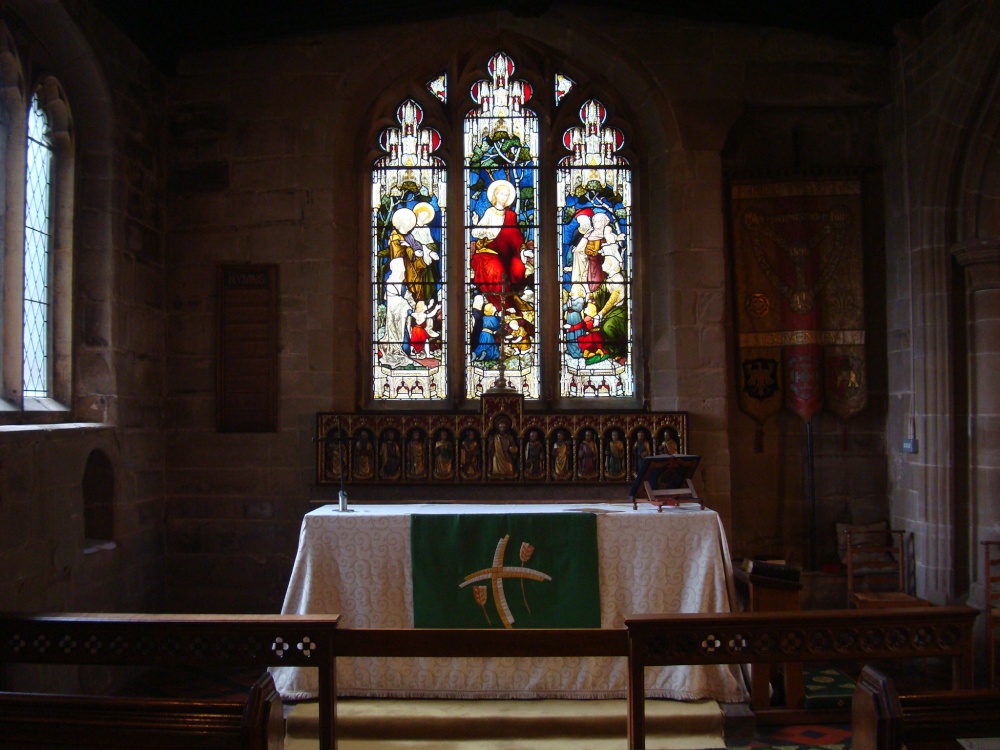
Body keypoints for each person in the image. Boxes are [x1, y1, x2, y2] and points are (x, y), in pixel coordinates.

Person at [470, 179, 528, 312]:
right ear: (495, 195)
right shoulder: (490, 212)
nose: (504, 197)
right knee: (496, 270)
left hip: (506, 253)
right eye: (501, 194)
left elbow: (516, 237)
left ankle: (513, 298)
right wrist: (480, 226)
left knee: (518, 267)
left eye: (506, 195)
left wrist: (523, 251)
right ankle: (503, 306)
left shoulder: (510, 215)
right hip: (488, 251)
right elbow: (476, 232)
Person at [590, 255, 628, 360]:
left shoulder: (618, 279)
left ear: (611, 266)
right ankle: (611, 350)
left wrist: (600, 314)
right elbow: (601, 292)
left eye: (605, 263)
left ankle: (618, 352)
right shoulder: (609, 278)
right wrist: (590, 296)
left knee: (608, 326)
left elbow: (612, 300)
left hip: (620, 309)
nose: (603, 265)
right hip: (613, 309)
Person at [379, 257, 415, 368]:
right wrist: (408, 308)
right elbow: (395, 300)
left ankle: (404, 353)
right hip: (394, 317)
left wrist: (412, 303)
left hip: (402, 318)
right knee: (398, 338)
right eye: (402, 270)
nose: (403, 272)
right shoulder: (390, 283)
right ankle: (396, 352)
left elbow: (407, 295)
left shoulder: (401, 284)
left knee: (405, 338)